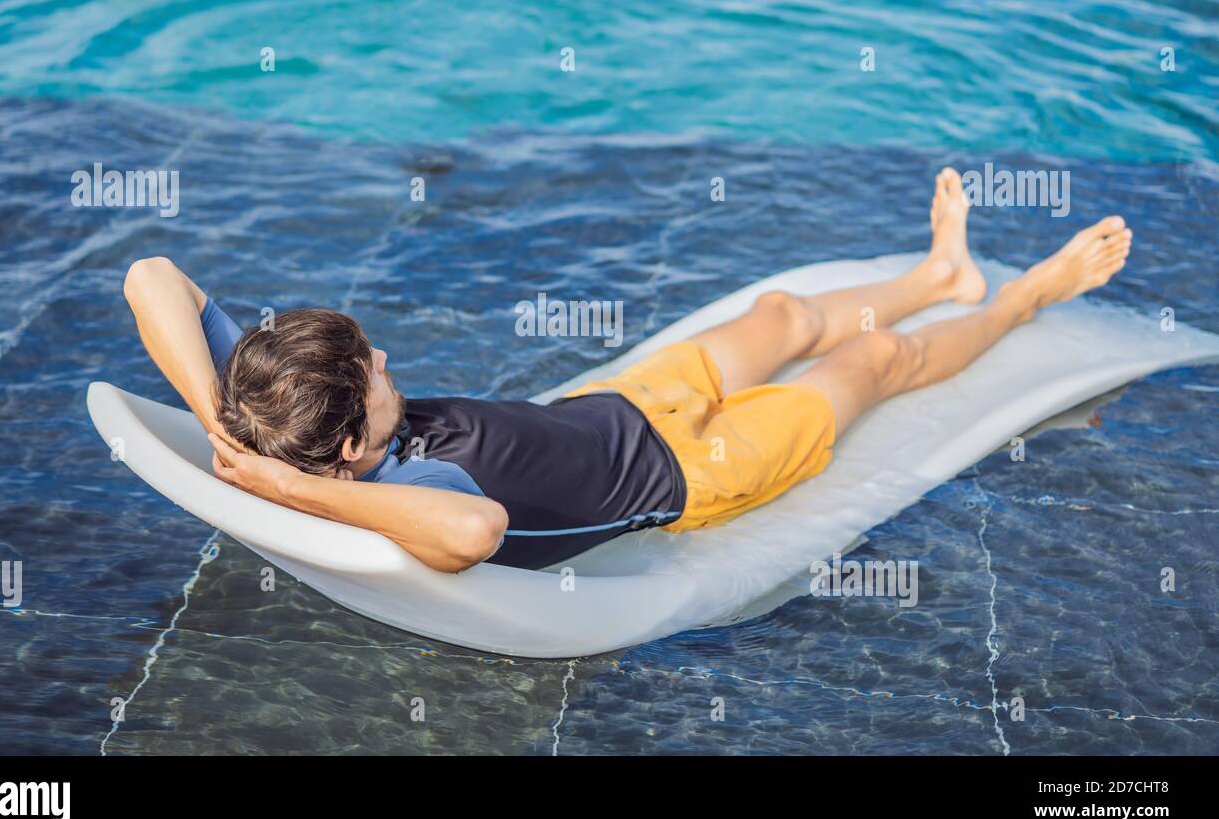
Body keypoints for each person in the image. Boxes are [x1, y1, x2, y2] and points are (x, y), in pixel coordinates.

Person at [124, 168, 1132, 573]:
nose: (387, 359)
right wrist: (294, 488)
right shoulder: (410, 487)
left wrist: (224, 424)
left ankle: (936, 270)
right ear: (349, 446)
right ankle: (1014, 299)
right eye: (374, 373)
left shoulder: (281, 414)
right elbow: (471, 532)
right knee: (876, 358)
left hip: (620, 404)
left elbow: (150, 274)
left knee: (780, 314)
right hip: (696, 472)